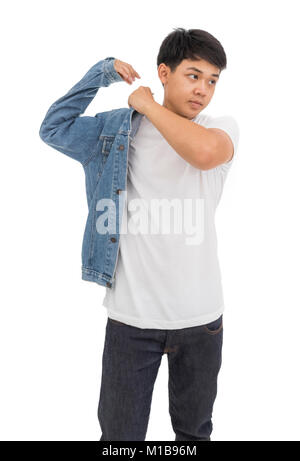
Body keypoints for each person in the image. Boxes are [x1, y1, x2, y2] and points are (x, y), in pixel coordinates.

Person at [39, 27, 239, 441]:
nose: (203, 89)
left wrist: (146, 104)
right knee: (119, 438)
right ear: (164, 72)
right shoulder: (116, 132)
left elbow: (202, 155)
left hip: (201, 321)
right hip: (132, 321)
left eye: (212, 80)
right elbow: (53, 128)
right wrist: (101, 74)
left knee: (194, 434)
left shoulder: (220, 129)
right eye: (193, 75)